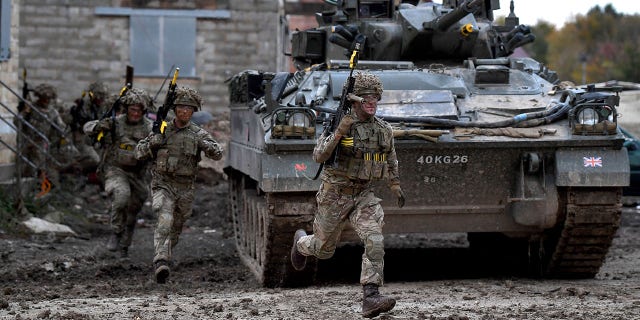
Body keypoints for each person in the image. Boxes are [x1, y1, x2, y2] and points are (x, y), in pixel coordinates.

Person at [290, 72, 406, 318]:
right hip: (335, 194)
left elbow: (390, 157)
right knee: (323, 250)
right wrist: (340, 133)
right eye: (365, 97)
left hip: (364, 194)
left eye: (375, 97)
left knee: (374, 239)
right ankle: (301, 244)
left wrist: (395, 184)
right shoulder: (339, 125)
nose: (371, 102)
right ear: (354, 101)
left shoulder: (383, 129)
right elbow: (319, 156)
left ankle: (371, 296)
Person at [134, 87, 224, 284]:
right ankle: (160, 261)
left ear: (193, 112)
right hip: (163, 183)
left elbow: (218, 153)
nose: (185, 112)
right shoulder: (162, 129)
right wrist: (153, 142)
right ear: (175, 110)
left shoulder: (198, 134)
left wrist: (210, 148)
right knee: (163, 219)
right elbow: (139, 152)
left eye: (189, 109)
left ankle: (165, 255)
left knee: (175, 228)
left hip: (185, 188)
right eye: (181, 108)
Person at [85, 87, 153, 258]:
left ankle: (124, 246)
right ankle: (115, 232)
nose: (135, 113)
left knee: (132, 213)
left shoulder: (149, 127)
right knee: (121, 196)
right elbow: (88, 127)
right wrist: (98, 126)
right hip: (115, 170)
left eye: (139, 110)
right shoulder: (115, 123)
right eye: (132, 109)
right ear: (126, 109)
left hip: (138, 174)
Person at [14, 83, 72, 187]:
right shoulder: (31, 107)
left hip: (41, 142)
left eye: (49, 99)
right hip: (26, 140)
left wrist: (63, 133)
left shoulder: (52, 112)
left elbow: (60, 127)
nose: (47, 101)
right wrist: (24, 112)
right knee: (22, 167)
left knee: (39, 167)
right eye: (44, 98)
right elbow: (17, 122)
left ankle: (37, 187)